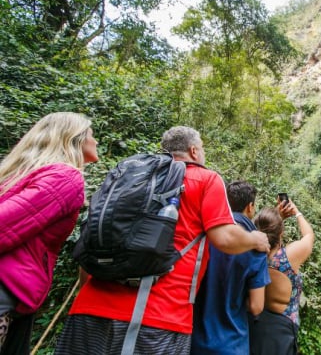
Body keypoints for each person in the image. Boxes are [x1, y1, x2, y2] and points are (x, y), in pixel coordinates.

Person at [55, 126, 270, 355]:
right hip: (157, 317)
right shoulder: (205, 179)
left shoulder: (131, 174)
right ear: (194, 151)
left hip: (89, 308)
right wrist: (255, 239)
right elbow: (225, 238)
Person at [0, 112, 98, 355]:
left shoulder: (22, 175)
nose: (96, 141)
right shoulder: (64, 178)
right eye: (91, 135)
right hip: (7, 286)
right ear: (75, 139)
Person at [191, 180, 270, 355]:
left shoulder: (205, 233)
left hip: (192, 339)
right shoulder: (257, 244)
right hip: (232, 343)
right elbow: (257, 306)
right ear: (250, 207)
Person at [249, 198, 315, 355]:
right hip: (282, 331)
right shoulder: (287, 257)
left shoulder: (250, 253)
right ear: (281, 233)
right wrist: (297, 212)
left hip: (253, 326)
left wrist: (277, 217)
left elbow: (264, 229)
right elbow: (309, 236)